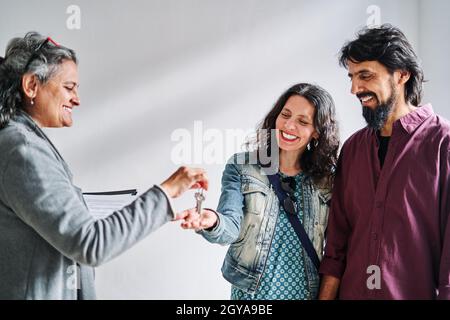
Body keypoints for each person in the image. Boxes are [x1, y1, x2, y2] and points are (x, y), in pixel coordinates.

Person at [0, 32, 208, 300]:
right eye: (69, 87)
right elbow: (92, 244)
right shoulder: (23, 150)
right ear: (31, 86)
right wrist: (167, 191)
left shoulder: (20, 140)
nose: (77, 99)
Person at [318, 24, 450, 300]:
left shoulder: (443, 144)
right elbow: (337, 246)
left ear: (402, 75)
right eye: (352, 77)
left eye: (365, 75)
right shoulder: (353, 149)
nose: (355, 88)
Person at [179, 83, 339, 299]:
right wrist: (212, 221)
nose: (289, 126)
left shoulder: (328, 180)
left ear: (317, 132)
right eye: (286, 115)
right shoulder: (242, 166)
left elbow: (337, 249)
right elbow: (230, 226)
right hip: (252, 295)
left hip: (305, 293)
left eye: (302, 121)